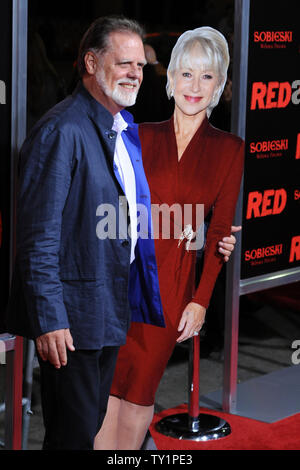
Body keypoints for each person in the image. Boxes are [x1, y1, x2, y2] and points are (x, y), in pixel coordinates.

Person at [5, 15, 167, 450]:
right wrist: (50, 320)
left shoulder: (118, 128)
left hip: (104, 309)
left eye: (141, 65)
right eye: (124, 63)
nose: (136, 73)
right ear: (91, 63)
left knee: (87, 426)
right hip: (72, 322)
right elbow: (37, 238)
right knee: (72, 436)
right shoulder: (63, 131)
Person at [95, 26, 244, 450]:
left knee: (140, 389)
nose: (194, 86)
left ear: (219, 85)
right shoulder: (139, 135)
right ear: (172, 76)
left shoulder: (229, 149)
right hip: (121, 283)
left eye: (207, 77)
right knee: (107, 390)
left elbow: (218, 232)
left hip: (172, 288)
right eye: (186, 74)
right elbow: (111, 208)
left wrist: (200, 301)